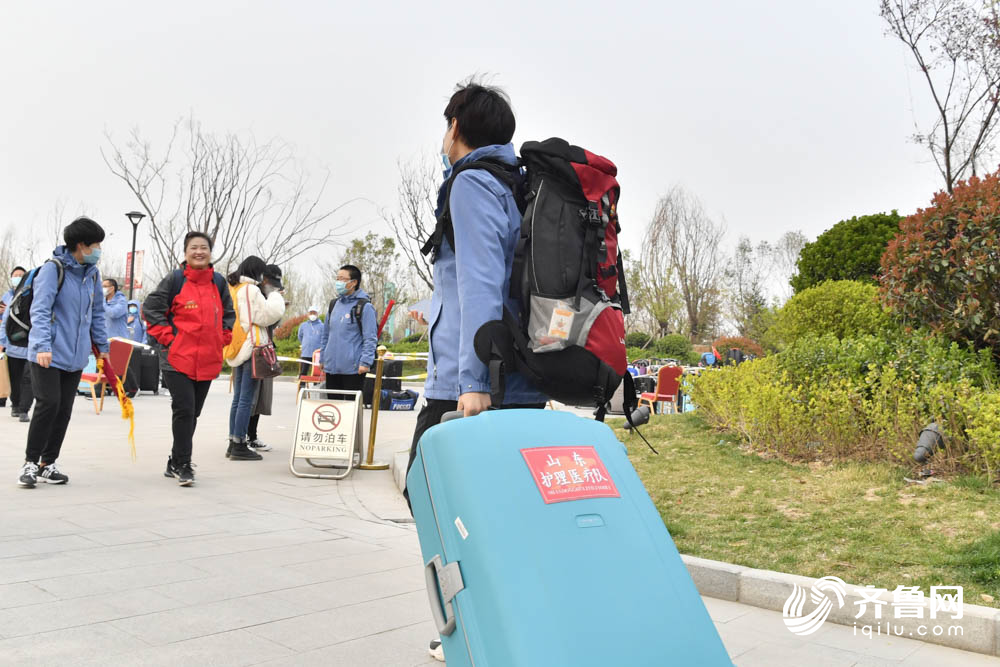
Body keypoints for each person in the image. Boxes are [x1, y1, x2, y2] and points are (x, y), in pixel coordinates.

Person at [402, 81, 547, 661]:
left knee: (432, 493)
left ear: (457, 126)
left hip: (478, 381)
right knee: (492, 507)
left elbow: (482, 282)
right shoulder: (515, 184)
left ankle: (474, 629)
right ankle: (505, 621)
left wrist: (473, 383)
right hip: (516, 376)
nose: (443, 139)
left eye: (446, 127)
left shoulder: (473, 183)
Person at [18, 217, 110, 488]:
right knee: (48, 404)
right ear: (80, 245)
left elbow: (97, 314)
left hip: (76, 355)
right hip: (48, 353)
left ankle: (48, 463)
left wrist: (102, 347)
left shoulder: (92, 274)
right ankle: (30, 462)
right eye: (96, 245)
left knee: (64, 410)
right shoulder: (53, 270)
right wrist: (42, 346)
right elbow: (41, 310)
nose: (98, 250)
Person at [144, 231, 235, 486]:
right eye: (193, 247)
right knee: (184, 409)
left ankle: (174, 460)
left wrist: (223, 337)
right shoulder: (174, 280)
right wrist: (169, 338)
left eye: (204, 247)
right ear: (185, 253)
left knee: (193, 412)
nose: (199, 252)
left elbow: (229, 313)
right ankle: (183, 464)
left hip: (207, 358)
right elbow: (151, 308)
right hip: (177, 358)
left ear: (210, 252)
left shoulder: (218, 282)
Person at [224, 256, 284, 461]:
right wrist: (275, 295)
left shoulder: (234, 288)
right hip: (252, 346)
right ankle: (240, 443)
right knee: (246, 400)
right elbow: (267, 316)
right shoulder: (251, 290)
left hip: (238, 345)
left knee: (238, 398)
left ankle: (233, 441)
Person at [245, 263, 285, 453]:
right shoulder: (252, 294)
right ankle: (240, 437)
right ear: (264, 278)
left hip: (265, 351)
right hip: (250, 351)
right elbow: (260, 319)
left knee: (260, 398)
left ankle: (252, 436)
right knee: (246, 399)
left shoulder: (270, 297)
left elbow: (271, 324)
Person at [319, 265, 377, 394]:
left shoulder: (365, 307)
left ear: (354, 282)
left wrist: (365, 362)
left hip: (354, 369)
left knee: (351, 408)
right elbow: (326, 335)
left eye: (343, 279)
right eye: (337, 279)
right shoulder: (334, 305)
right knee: (333, 409)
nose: (338, 282)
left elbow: (370, 338)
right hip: (331, 367)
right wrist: (323, 358)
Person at [0, 266, 33, 422]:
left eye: (22, 275)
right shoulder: (9, 297)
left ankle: (24, 409)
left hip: (30, 346)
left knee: (29, 377)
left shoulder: (35, 295)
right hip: (13, 346)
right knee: (15, 377)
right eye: (16, 275)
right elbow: (4, 322)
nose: (18, 278)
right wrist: (2, 342)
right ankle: (15, 405)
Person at [297, 304, 324, 377]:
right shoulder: (303, 325)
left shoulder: (322, 326)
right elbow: (300, 336)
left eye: (314, 313)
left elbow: (324, 338)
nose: (312, 314)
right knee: (303, 372)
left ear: (317, 314)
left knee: (317, 373)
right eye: (311, 313)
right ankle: (302, 386)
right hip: (306, 353)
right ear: (308, 314)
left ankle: (316, 387)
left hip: (317, 354)